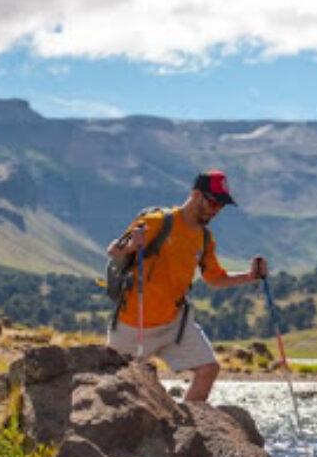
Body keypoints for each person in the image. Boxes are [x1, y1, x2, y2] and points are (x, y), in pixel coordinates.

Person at [106, 169, 266, 402]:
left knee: (208, 369)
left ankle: (187, 429)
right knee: (117, 387)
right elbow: (114, 251)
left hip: (174, 324)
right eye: (212, 202)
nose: (215, 210)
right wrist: (131, 246)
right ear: (195, 194)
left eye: (221, 206)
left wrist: (250, 276)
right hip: (133, 322)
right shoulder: (156, 222)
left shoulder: (205, 238)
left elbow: (214, 278)